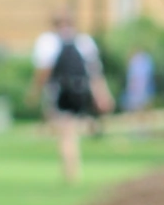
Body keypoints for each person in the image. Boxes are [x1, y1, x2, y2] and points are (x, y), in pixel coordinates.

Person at [31, 11, 113, 184]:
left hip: (61, 91)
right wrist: (102, 95)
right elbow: (95, 72)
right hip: (80, 90)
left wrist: (35, 93)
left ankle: (70, 170)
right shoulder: (84, 42)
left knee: (66, 131)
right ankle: (73, 165)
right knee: (71, 129)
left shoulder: (48, 42)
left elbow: (43, 72)